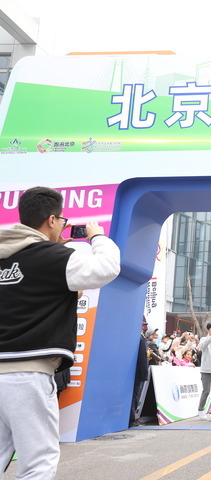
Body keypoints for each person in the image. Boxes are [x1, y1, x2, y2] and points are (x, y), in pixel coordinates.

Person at [0, 186, 120, 479]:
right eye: (62, 220)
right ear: (52, 220)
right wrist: (97, 237)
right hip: (28, 372)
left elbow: (29, 293)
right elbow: (107, 267)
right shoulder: (54, 257)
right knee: (38, 462)